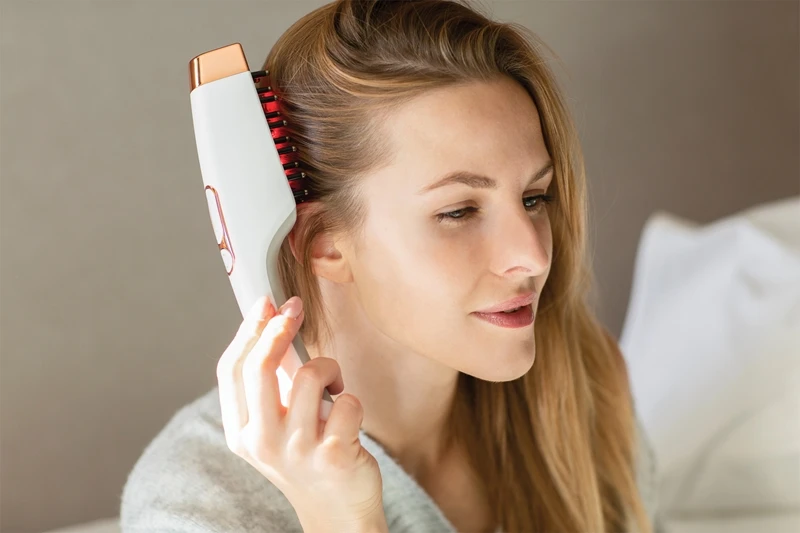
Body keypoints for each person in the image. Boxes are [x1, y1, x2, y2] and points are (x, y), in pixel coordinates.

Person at [121, 1, 661, 532]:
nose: (534, 255)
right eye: (458, 211)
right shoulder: (198, 506)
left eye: (534, 198)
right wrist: (340, 519)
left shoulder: (585, 392)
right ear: (324, 245)